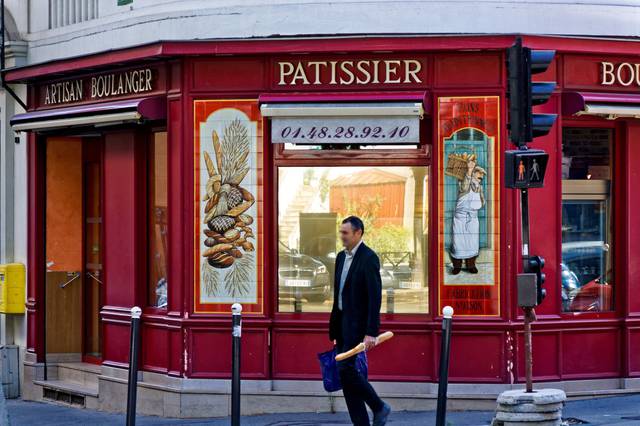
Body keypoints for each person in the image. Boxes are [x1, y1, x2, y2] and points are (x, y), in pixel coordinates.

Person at [329, 216, 391, 426]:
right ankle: (362, 423)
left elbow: (375, 298)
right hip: (342, 325)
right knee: (345, 377)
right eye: (341, 232)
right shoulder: (340, 257)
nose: (342, 236)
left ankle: (379, 406)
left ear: (358, 233)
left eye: (345, 233)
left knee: (346, 370)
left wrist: (371, 332)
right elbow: (339, 294)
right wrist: (335, 331)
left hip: (358, 327)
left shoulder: (369, 258)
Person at [449, 162, 486, 275]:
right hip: (461, 218)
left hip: (473, 218)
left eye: (481, 178)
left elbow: (482, 199)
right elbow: (465, 186)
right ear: (473, 174)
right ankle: (457, 266)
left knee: (472, 243)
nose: (480, 179)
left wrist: (481, 203)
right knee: (458, 243)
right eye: (479, 176)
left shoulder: (479, 187)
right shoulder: (463, 183)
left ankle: (471, 265)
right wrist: (469, 170)